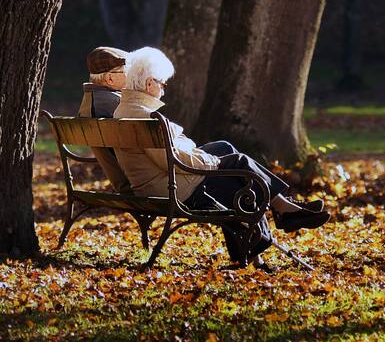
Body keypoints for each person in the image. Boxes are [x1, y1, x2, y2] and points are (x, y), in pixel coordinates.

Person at [113, 47, 330, 262]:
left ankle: (283, 208)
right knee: (238, 168)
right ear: (150, 83)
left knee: (224, 147)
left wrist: (210, 157)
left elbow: (167, 155)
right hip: (173, 186)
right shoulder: (146, 120)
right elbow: (173, 162)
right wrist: (213, 162)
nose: (163, 90)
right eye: (162, 84)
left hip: (157, 181)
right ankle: (280, 215)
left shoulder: (124, 111)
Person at [76, 46, 132, 192]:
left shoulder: (90, 102)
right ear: (110, 78)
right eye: (127, 71)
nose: (131, 75)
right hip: (141, 185)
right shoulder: (118, 105)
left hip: (123, 183)